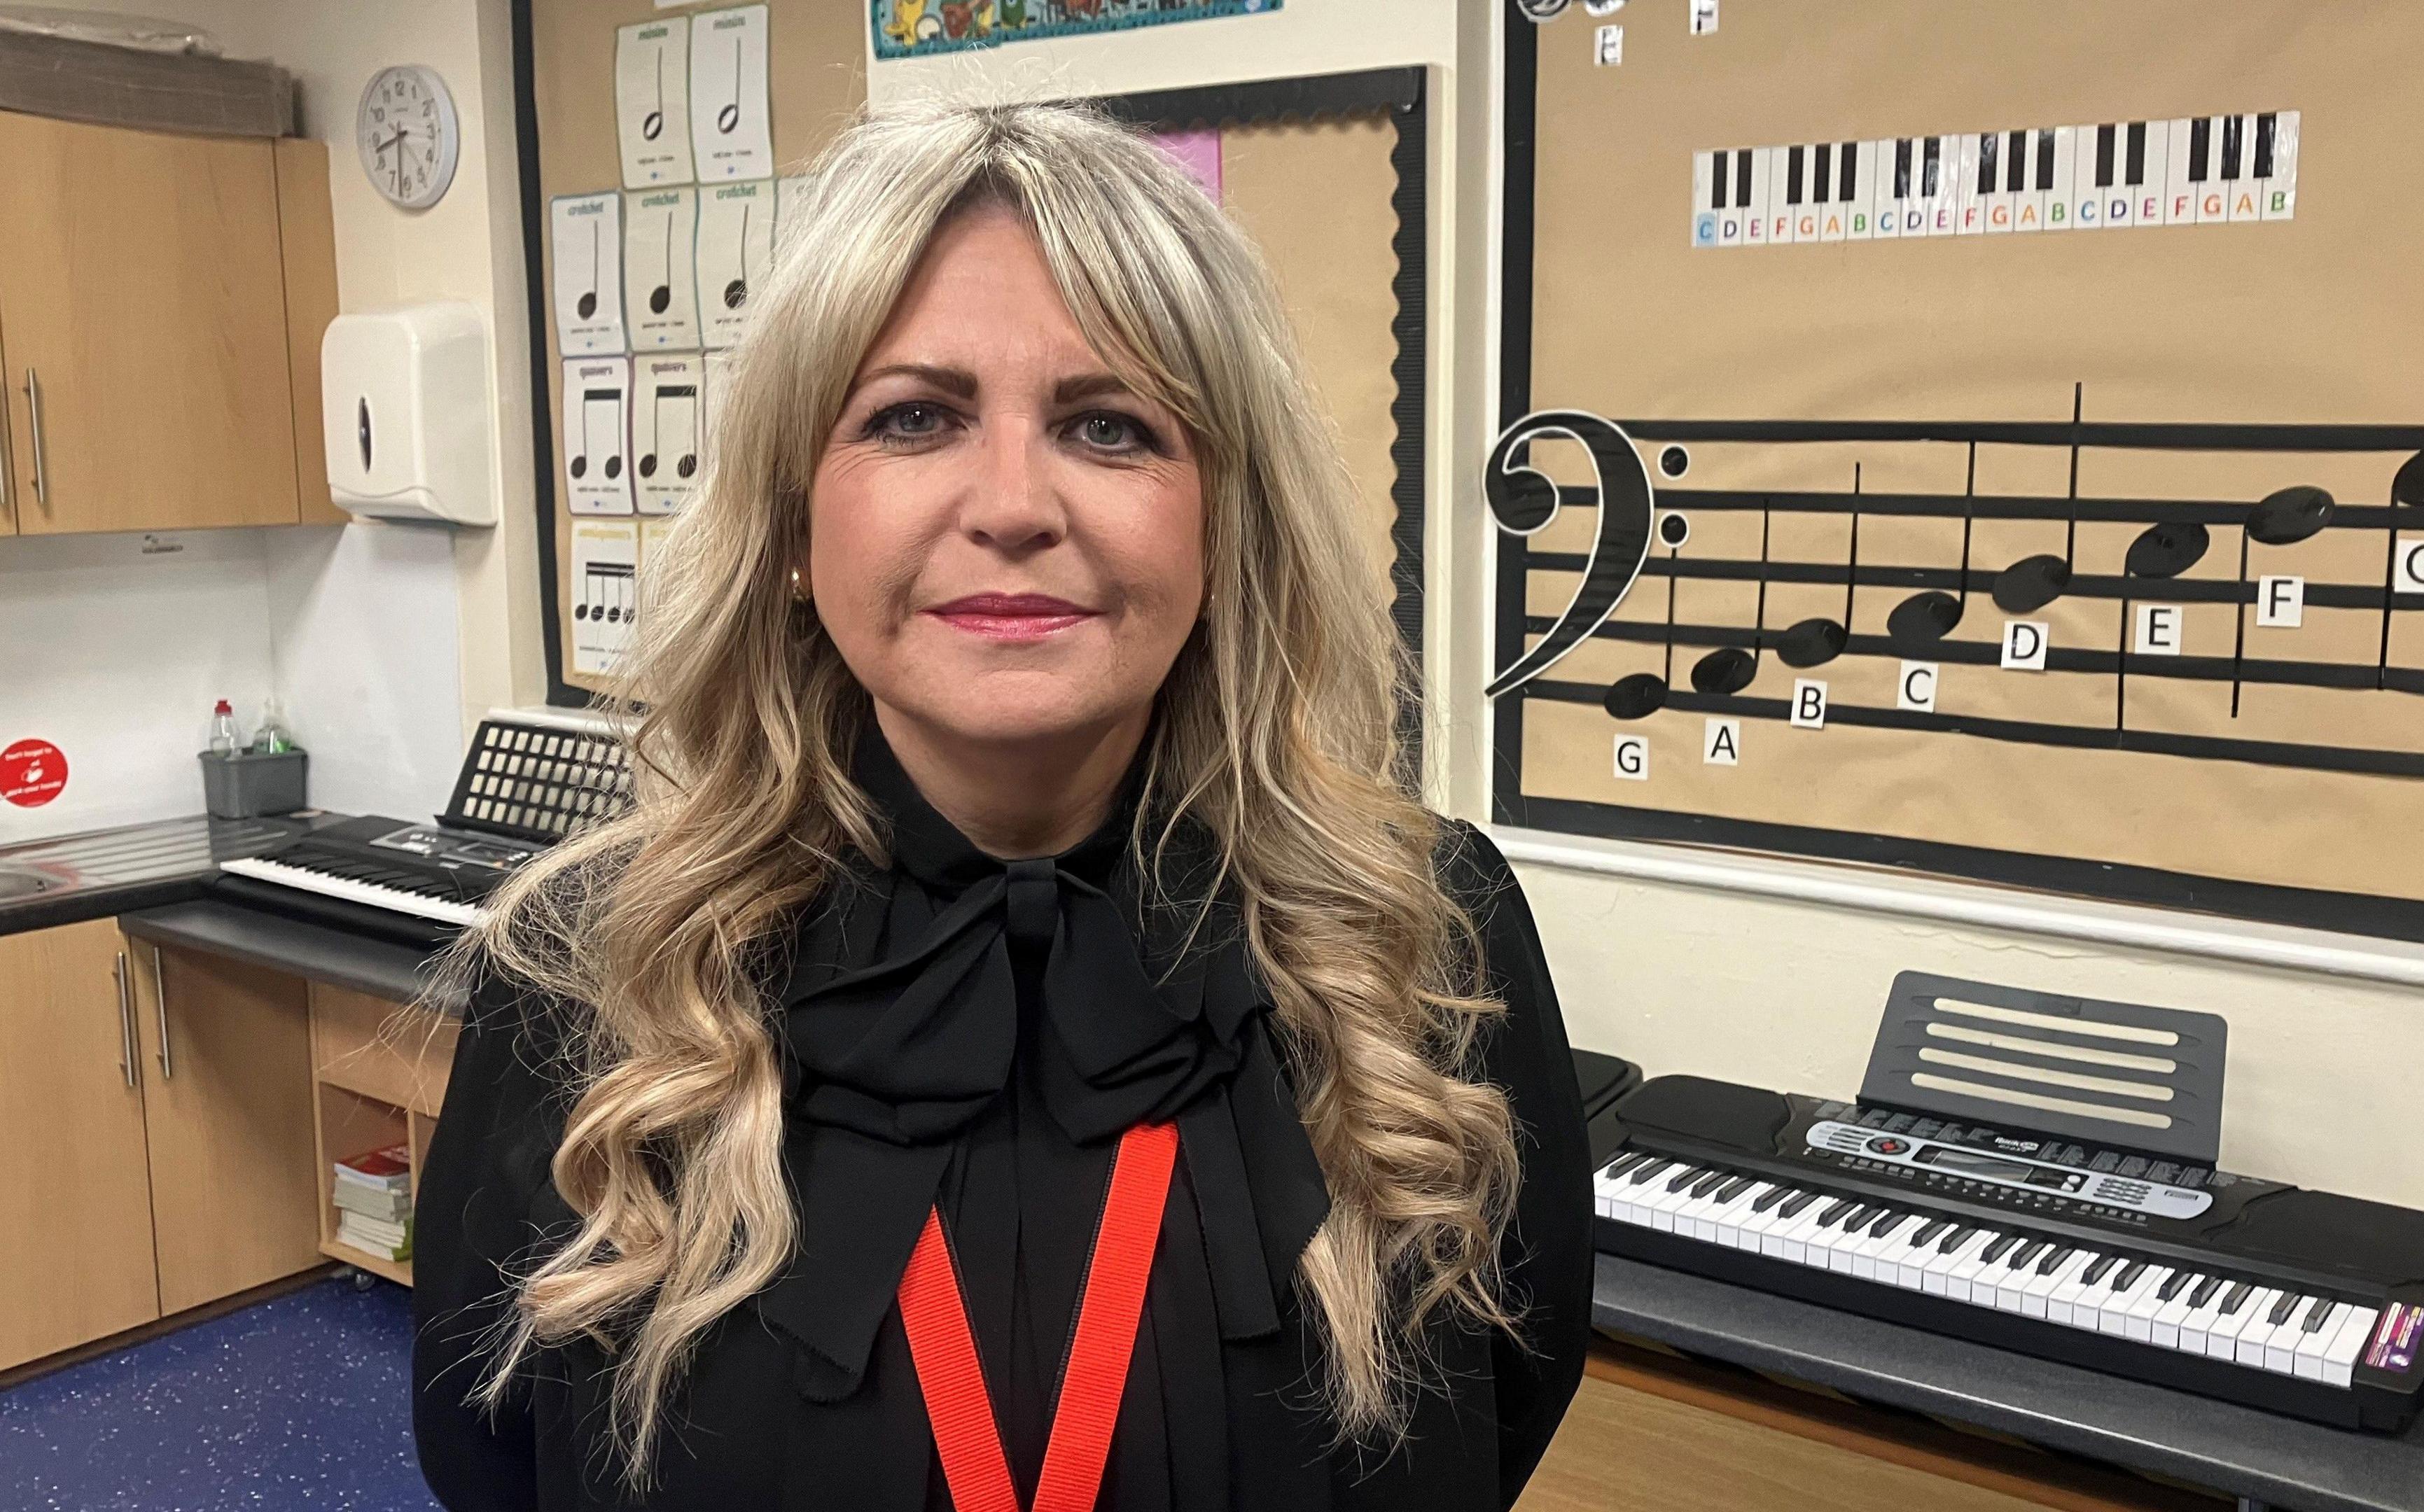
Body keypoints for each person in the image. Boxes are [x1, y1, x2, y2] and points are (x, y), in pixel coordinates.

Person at [412, 99, 1591, 1511]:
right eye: (916, 417)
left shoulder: (1425, 931)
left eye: (1108, 426)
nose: (1015, 504)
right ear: (794, 527)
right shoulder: (588, 968)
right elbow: (496, 1455)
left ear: (1222, 521)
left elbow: (1501, 1410)